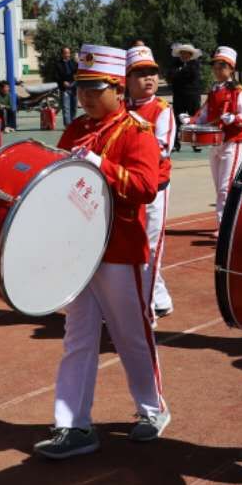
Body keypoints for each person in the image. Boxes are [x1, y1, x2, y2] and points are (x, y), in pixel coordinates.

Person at [36, 44, 167, 459]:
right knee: (78, 337)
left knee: (131, 334)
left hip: (119, 249)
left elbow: (146, 187)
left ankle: (151, 409)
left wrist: (100, 165)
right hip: (79, 250)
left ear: (117, 89)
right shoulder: (76, 129)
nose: (86, 97)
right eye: (82, 88)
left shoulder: (137, 131)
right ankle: (73, 424)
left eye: (96, 89)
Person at [126, 45, 176, 317]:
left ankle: (145, 307)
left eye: (152, 73)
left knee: (152, 245)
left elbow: (162, 149)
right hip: (128, 187)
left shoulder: (161, 109)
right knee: (134, 243)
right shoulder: (121, 109)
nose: (149, 78)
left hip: (155, 187)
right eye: (140, 73)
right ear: (127, 79)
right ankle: (159, 297)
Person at [192, 46, 242, 222]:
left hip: (232, 143)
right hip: (215, 143)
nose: (217, 70)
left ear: (231, 68)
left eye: (222, 66)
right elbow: (204, 114)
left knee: (226, 187)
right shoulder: (214, 90)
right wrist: (191, 120)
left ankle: (223, 225)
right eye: (215, 66)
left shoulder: (237, 91)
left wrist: (233, 118)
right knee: (219, 186)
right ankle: (226, 222)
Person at [168, 44, 204, 151]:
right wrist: (179, 73)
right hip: (179, 96)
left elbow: (190, 74)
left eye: (186, 53)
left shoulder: (195, 64)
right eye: (182, 53)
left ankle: (196, 143)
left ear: (190, 55)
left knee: (195, 119)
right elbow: (170, 76)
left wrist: (179, 73)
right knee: (177, 120)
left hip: (193, 96)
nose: (184, 55)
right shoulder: (175, 64)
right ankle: (176, 144)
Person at [49, 46, 79, 127]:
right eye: (65, 53)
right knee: (66, 108)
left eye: (68, 53)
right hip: (64, 89)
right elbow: (55, 76)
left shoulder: (74, 63)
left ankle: (73, 124)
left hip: (74, 87)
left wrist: (78, 63)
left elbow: (78, 72)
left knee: (74, 107)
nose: (67, 55)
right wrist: (62, 82)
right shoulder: (58, 64)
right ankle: (68, 126)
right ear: (62, 54)